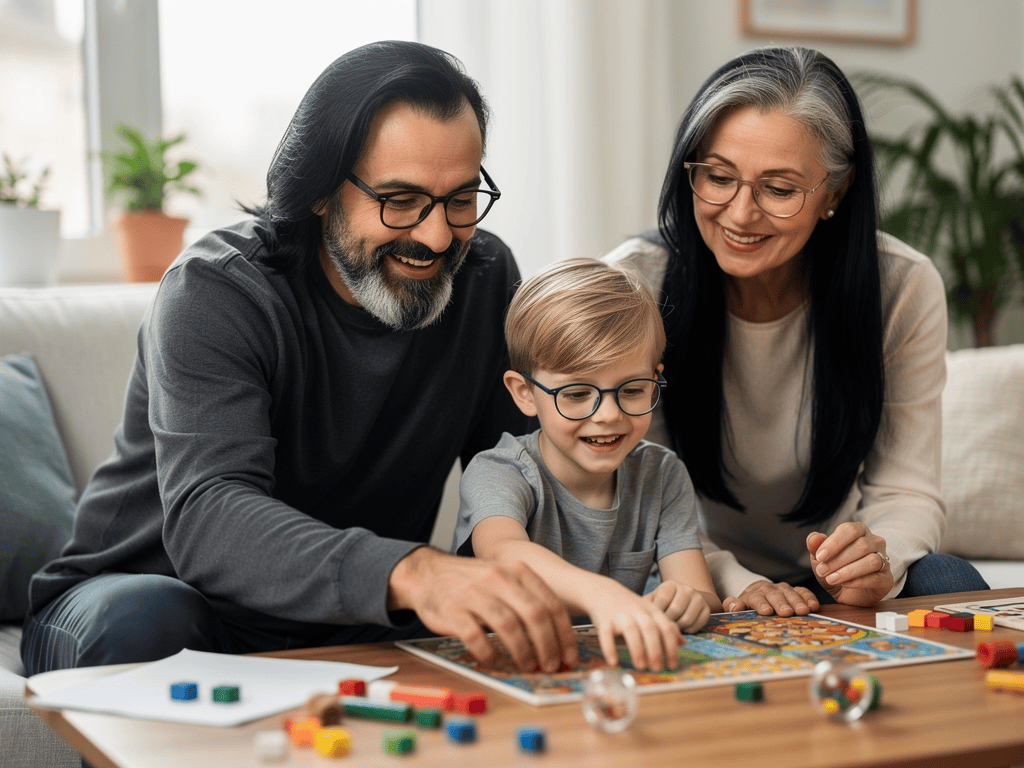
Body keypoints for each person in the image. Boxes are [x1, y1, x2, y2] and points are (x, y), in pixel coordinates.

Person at [22, 40, 579, 679]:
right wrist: (415, 573)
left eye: (460, 199)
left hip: (348, 616)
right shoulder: (217, 290)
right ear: (319, 191)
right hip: (134, 606)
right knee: (150, 617)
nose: (436, 235)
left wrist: (654, 571)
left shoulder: (482, 277)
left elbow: (519, 477)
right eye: (400, 201)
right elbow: (209, 518)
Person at [603, 46, 989, 616]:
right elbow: (642, 494)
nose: (739, 214)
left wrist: (878, 558)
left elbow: (907, 490)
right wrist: (733, 578)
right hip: (691, 563)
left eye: (778, 190)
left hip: (826, 571)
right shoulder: (635, 281)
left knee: (948, 577)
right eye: (717, 177)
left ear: (834, 192)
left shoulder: (901, 287)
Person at [452, 258, 721, 672]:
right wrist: (601, 594)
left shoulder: (662, 474)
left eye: (632, 390)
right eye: (577, 394)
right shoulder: (499, 471)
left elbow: (698, 592)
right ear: (524, 393)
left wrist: (689, 602)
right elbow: (503, 552)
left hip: (610, 671)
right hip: (503, 667)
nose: (609, 415)